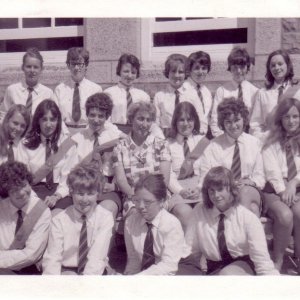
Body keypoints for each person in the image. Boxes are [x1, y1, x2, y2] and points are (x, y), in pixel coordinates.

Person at [185, 166, 279, 275]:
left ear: (231, 189)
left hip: (243, 267)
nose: (216, 195)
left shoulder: (248, 218)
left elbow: (262, 262)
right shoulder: (199, 211)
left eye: (220, 189)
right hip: (214, 269)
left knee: (226, 275)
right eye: (211, 191)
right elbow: (190, 250)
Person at [195, 98, 265, 217]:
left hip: (250, 189)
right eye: (228, 122)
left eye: (237, 120)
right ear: (222, 123)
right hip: (224, 191)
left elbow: (261, 177)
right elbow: (206, 174)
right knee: (252, 209)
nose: (233, 126)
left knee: (244, 194)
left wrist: (250, 182)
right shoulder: (214, 146)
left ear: (244, 119)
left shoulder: (254, 143)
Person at [42, 164, 114, 275]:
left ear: (98, 195)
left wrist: (84, 285)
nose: (84, 199)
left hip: (95, 272)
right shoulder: (59, 220)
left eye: (90, 194)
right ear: (71, 193)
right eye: (80, 194)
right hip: (67, 271)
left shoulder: (105, 218)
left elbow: (97, 257)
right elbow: (52, 258)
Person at [112, 101, 171, 217]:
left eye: (148, 120)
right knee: (135, 213)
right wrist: (137, 198)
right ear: (131, 119)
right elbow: (121, 180)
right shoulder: (119, 147)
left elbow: (164, 179)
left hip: (158, 195)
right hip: (132, 196)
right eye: (140, 119)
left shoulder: (161, 144)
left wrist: (151, 199)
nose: (144, 124)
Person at [262, 97, 300, 273]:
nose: (291, 121)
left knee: (299, 212)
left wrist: (294, 182)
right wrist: (284, 190)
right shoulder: (271, 140)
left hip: (296, 187)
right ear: (280, 119)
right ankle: (277, 261)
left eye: (295, 116)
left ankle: (298, 258)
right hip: (274, 189)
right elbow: (272, 171)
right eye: (286, 117)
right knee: (285, 215)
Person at [71, 92, 123, 220]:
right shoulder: (78, 139)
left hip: (108, 187)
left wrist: (115, 185)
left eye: (101, 116)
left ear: (107, 117)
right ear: (87, 115)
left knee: (106, 212)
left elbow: (125, 164)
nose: (96, 120)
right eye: (92, 115)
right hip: (84, 187)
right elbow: (73, 169)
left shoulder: (115, 136)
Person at [124, 174, 188, 275]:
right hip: (150, 272)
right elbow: (134, 259)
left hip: (179, 267)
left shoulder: (171, 224)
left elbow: (169, 266)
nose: (140, 206)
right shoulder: (130, 222)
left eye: (147, 202)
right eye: (136, 200)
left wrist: (138, 278)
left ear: (162, 201)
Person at [18, 99, 76, 209]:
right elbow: (23, 178)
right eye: (44, 119)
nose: (48, 124)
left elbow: (68, 178)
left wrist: (56, 196)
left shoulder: (68, 144)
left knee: (56, 219)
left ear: (58, 121)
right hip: (32, 192)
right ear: (38, 121)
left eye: (52, 119)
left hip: (61, 193)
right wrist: (35, 199)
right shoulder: (25, 144)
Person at [0, 161, 51, 275]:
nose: (22, 192)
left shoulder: (41, 211)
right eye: (14, 189)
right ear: (6, 191)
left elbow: (31, 255)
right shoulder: (2, 207)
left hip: (28, 272)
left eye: (24, 185)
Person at [167, 102, 209, 231]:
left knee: (205, 212)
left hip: (200, 187)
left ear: (195, 121)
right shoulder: (166, 144)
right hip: (177, 189)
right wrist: (181, 191)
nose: (186, 124)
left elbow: (206, 169)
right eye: (181, 120)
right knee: (185, 214)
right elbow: (168, 175)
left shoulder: (203, 141)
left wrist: (200, 188)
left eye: (189, 119)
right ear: (175, 122)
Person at [250, 49, 298, 142]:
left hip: (294, 144)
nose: (276, 68)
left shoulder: (297, 91)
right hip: (269, 143)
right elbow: (255, 125)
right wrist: (265, 138)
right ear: (269, 69)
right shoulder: (262, 94)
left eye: (280, 64)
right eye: (273, 65)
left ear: (288, 65)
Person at [211, 46, 258, 137]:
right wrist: (222, 140)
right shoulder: (222, 91)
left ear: (247, 67)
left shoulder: (255, 92)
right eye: (235, 67)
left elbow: (256, 122)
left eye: (242, 67)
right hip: (226, 138)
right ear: (230, 68)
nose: (238, 71)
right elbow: (214, 120)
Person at [54, 47, 102, 134]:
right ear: (68, 65)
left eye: (80, 64)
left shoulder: (95, 89)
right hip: (64, 134)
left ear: (86, 65)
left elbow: (99, 116)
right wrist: (65, 135)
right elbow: (56, 116)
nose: (76, 68)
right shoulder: (59, 90)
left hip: (88, 133)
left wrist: (87, 134)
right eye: (73, 64)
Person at [154, 53, 204, 137]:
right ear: (167, 73)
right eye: (173, 71)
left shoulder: (192, 94)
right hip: (166, 138)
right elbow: (155, 123)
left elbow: (201, 120)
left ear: (186, 74)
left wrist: (196, 138)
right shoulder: (159, 96)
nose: (176, 75)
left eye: (180, 72)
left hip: (188, 137)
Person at [0, 47, 54, 117]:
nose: (32, 70)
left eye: (36, 67)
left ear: (41, 69)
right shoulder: (12, 90)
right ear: (22, 67)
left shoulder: (48, 93)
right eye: (28, 66)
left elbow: (54, 117)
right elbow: (4, 115)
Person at [184, 50, 214, 138]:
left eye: (204, 68)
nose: (200, 72)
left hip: (205, 136)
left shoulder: (206, 92)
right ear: (189, 70)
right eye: (196, 68)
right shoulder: (184, 90)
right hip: (189, 136)